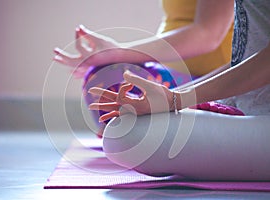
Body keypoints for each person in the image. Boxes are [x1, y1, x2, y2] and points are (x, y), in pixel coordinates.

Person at [87, 0, 270, 180]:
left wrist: (178, 99)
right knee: (122, 129)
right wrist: (165, 99)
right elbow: (242, 60)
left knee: (125, 137)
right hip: (244, 106)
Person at [54, 0, 236, 136]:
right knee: (106, 75)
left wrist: (118, 52)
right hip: (170, 78)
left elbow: (207, 35)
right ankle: (141, 132)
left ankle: (149, 132)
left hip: (216, 83)